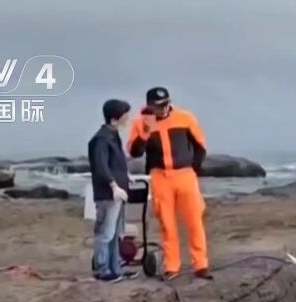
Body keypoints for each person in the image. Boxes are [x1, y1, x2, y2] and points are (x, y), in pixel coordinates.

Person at [127, 86, 212, 280]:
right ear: (149, 106)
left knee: (194, 220)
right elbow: (134, 152)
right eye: (158, 106)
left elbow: (200, 146)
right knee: (167, 222)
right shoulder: (140, 123)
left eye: (166, 103)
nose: (164, 108)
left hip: (185, 174)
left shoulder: (185, 117)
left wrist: (194, 169)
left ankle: (200, 264)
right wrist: (146, 132)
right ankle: (172, 266)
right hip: (160, 176)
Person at [87, 98, 132, 282]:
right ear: (115, 117)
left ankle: (115, 267)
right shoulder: (101, 139)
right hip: (108, 194)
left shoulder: (114, 136)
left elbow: (116, 161)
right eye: (125, 115)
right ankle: (102, 269)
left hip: (119, 192)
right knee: (105, 233)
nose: (127, 118)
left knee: (115, 233)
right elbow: (101, 165)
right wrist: (113, 185)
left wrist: (126, 175)